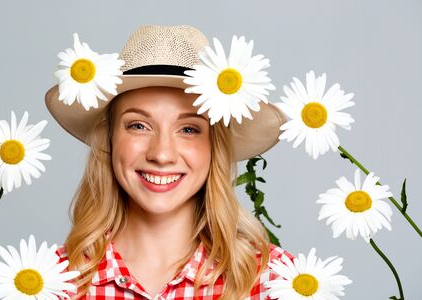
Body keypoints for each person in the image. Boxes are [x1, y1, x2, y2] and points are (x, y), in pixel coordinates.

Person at [45, 24, 294, 300]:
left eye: (188, 129)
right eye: (138, 126)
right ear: (109, 140)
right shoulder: (50, 283)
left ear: (215, 147)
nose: (161, 154)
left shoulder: (277, 282)